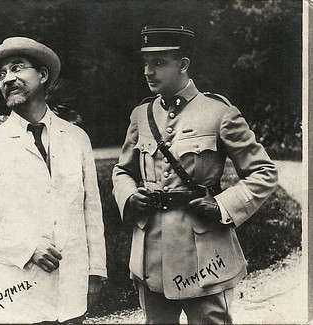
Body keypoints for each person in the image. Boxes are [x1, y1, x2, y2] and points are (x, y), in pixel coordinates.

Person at [112, 26, 278, 324]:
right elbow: (122, 170)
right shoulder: (141, 115)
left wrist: (223, 205)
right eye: (146, 63)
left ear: (183, 65)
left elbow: (263, 172)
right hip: (150, 250)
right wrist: (129, 196)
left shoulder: (218, 112)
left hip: (203, 251)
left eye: (159, 63)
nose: (148, 71)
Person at [0, 37, 107, 324]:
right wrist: (28, 248)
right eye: (1, 75)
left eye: (17, 68)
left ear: (42, 75)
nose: (8, 79)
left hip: (69, 291)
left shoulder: (75, 139)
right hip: (14, 293)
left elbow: (91, 210)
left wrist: (96, 271)